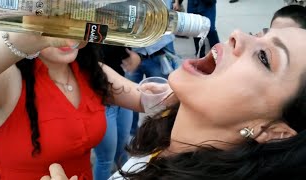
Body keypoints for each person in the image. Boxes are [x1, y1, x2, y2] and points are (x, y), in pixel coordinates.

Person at [42, 27, 306, 180]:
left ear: (274, 133)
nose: (237, 34)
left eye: (263, 57)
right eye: (258, 33)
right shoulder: (168, 139)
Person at [0, 26, 155, 179]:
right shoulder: (7, 81)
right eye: (55, 20)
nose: (65, 31)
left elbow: (147, 98)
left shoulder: (91, 71)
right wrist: (32, 32)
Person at [125, 0, 178, 137]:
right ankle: (132, 135)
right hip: (129, 52)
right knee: (128, 98)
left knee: (163, 100)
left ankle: (160, 135)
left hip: (158, 52)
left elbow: (163, 18)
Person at [92, 45, 139, 180]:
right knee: (105, 159)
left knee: (123, 152)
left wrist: (135, 56)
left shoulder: (116, 32)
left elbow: (127, 55)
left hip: (122, 98)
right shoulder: (87, 40)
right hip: (101, 103)